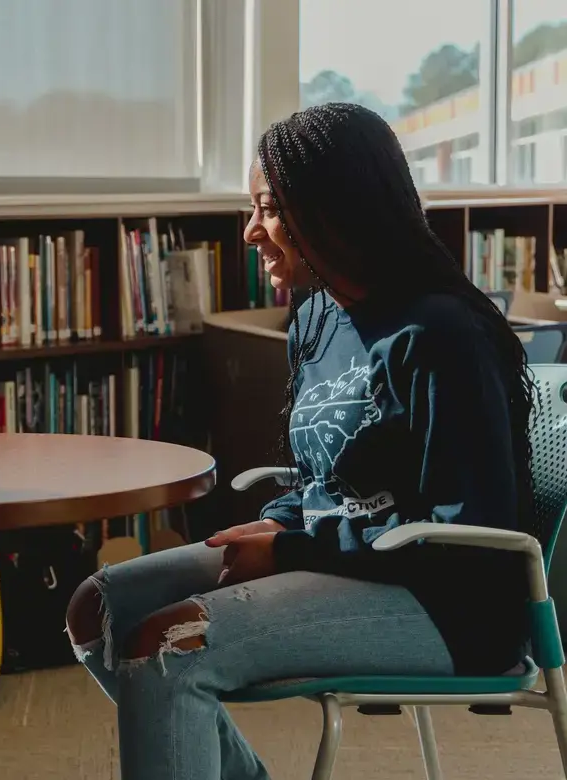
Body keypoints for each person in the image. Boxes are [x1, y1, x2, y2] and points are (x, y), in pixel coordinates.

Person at [64, 102, 534, 780]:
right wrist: (284, 524)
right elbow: (333, 483)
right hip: (352, 562)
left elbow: (467, 541)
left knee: (168, 643)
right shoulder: (318, 317)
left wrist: (292, 549)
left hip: (450, 609)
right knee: (98, 609)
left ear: (333, 211)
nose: (250, 230)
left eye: (268, 208)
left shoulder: (439, 337)